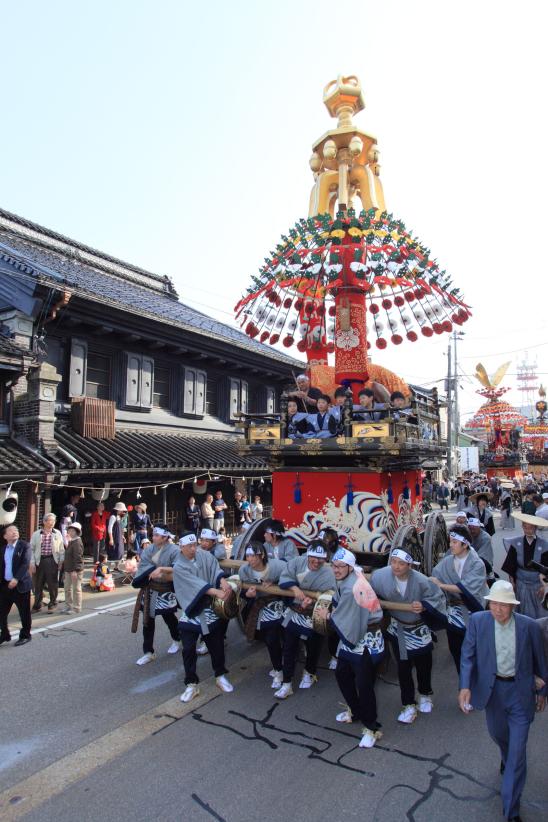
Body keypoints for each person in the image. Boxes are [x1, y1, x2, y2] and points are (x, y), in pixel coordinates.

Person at [458, 580, 547, 822]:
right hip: (493, 693)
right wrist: (465, 686)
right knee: (499, 735)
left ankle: (511, 811)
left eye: (503, 605)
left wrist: (543, 691)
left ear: (513, 606)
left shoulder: (529, 627)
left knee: (518, 755)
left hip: (520, 694)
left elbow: (541, 660)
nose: (498, 609)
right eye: (494, 603)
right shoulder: (478, 621)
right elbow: (468, 655)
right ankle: (506, 756)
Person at [371, 548, 446, 723]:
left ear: (410, 565)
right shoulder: (380, 576)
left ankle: (425, 693)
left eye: (401, 563)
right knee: (403, 667)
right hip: (399, 628)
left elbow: (438, 597)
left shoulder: (421, 581)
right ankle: (408, 703)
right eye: (394, 562)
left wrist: (425, 605)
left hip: (418, 627)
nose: (396, 567)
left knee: (423, 664)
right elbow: (369, 593)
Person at [323, 547, 385, 749]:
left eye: (341, 566)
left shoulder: (353, 587)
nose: (336, 570)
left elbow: (343, 615)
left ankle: (371, 727)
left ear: (350, 567)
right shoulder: (350, 577)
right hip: (354, 631)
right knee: (342, 674)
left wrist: (330, 616)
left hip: (366, 638)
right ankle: (356, 710)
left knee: (365, 684)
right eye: (334, 565)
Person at [172, 532, 234, 702]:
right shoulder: (178, 566)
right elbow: (194, 584)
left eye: (195, 545)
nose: (193, 549)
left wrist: (222, 581)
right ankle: (191, 684)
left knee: (217, 645)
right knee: (188, 648)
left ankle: (220, 675)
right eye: (189, 546)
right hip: (191, 610)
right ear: (181, 547)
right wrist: (217, 592)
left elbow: (215, 569)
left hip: (209, 609)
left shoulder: (205, 555)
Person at [274, 542, 336, 699]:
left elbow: (331, 593)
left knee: (314, 645)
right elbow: (285, 577)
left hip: (315, 612)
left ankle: (309, 672)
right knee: (289, 647)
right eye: (313, 560)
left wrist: (315, 601)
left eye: (320, 561)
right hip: (295, 610)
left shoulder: (328, 573)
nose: (316, 563)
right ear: (307, 556)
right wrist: (295, 589)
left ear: (325, 559)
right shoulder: (296, 562)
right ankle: (287, 683)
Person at [430, 524, 488, 673]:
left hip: (473, 609)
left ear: (465, 544)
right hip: (454, 611)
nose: (451, 545)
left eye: (454, 542)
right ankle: (463, 682)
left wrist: (441, 585)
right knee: (456, 649)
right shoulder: (448, 561)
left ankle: (477, 683)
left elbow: (466, 589)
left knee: (474, 650)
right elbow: (435, 576)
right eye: (450, 542)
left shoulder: (477, 563)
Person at [238, 542, 286, 689]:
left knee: (283, 637)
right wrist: (247, 594)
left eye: (253, 555)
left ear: (262, 555)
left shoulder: (278, 566)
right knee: (270, 639)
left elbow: (292, 579)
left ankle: (283, 667)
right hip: (261, 605)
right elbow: (241, 592)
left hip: (280, 602)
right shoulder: (244, 571)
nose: (250, 559)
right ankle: (279, 668)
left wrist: (277, 582)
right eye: (247, 555)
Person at [131, 524, 180, 666]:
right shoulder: (149, 549)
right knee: (148, 620)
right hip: (150, 588)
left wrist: (161, 570)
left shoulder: (174, 550)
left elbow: (179, 568)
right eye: (153, 535)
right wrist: (148, 571)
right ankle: (148, 652)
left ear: (165, 537)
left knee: (168, 616)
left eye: (157, 535)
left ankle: (177, 638)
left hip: (166, 588)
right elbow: (144, 566)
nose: (153, 537)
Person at [501, 511, 548, 619]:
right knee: (521, 609)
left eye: (531, 527)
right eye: (525, 527)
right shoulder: (516, 543)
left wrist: (544, 586)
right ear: (522, 527)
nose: (528, 530)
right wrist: (512, 582)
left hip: (537, 581)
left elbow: (546, 567)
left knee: (540, 610)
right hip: (521, 581)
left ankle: (538, 632)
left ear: (535, 528)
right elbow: (510, 565)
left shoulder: (544, 545)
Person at [0, 523, 32, 646]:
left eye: (16, 529)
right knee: (1, 612)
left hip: (20, 585)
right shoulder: (3, 549)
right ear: (5, 536)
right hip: (5, 586)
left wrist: (16, 578)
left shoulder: (24, 546)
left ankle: (25, 635)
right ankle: (4, 634)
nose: (15, 531)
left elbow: (25, 564)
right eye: (11, 530)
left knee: (24, 612)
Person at [30, 512, 64, 612]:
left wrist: (61, 561)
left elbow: (61, 548)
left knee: (52, 583)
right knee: (38, 584)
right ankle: (37, 604)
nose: (52, 523)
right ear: (44, 522)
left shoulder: (57, 533)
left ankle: (52, 603)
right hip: (39, 560)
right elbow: (31, 549)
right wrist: (32, 562)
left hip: (52, 560)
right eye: (50, 520)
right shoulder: (36, 534)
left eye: (54, 521)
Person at [62, 522, 84, 615]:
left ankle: (76, 608)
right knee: (67, 588)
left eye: (72, 530)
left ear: (76, 532)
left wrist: (76, 570)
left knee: (76, 589)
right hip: (68, 569)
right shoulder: (72, 541)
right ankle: (68, 606)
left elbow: (78, 557)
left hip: (75, 570)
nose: (69, 532)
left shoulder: (77, 542)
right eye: (69, 530)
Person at [467, 518, 495, 582]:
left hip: (483, 564)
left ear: (479, 527)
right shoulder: (467, 535)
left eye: (474, 529)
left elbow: (483, 556)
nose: (472, 531)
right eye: (470, 529)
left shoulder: (486, 538)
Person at [107, 502, 127, 571]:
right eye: (122, 510)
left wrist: (123, 536)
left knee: (119, 551)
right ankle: (108, 569)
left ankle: (116, 567)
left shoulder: (119, 517)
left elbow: (120, 528)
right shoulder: (113, 517)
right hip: (114, 536)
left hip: (119, 536)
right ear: (118, 510)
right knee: (112, 551)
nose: (123, 511)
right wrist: (111, 539)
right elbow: (109, 528)